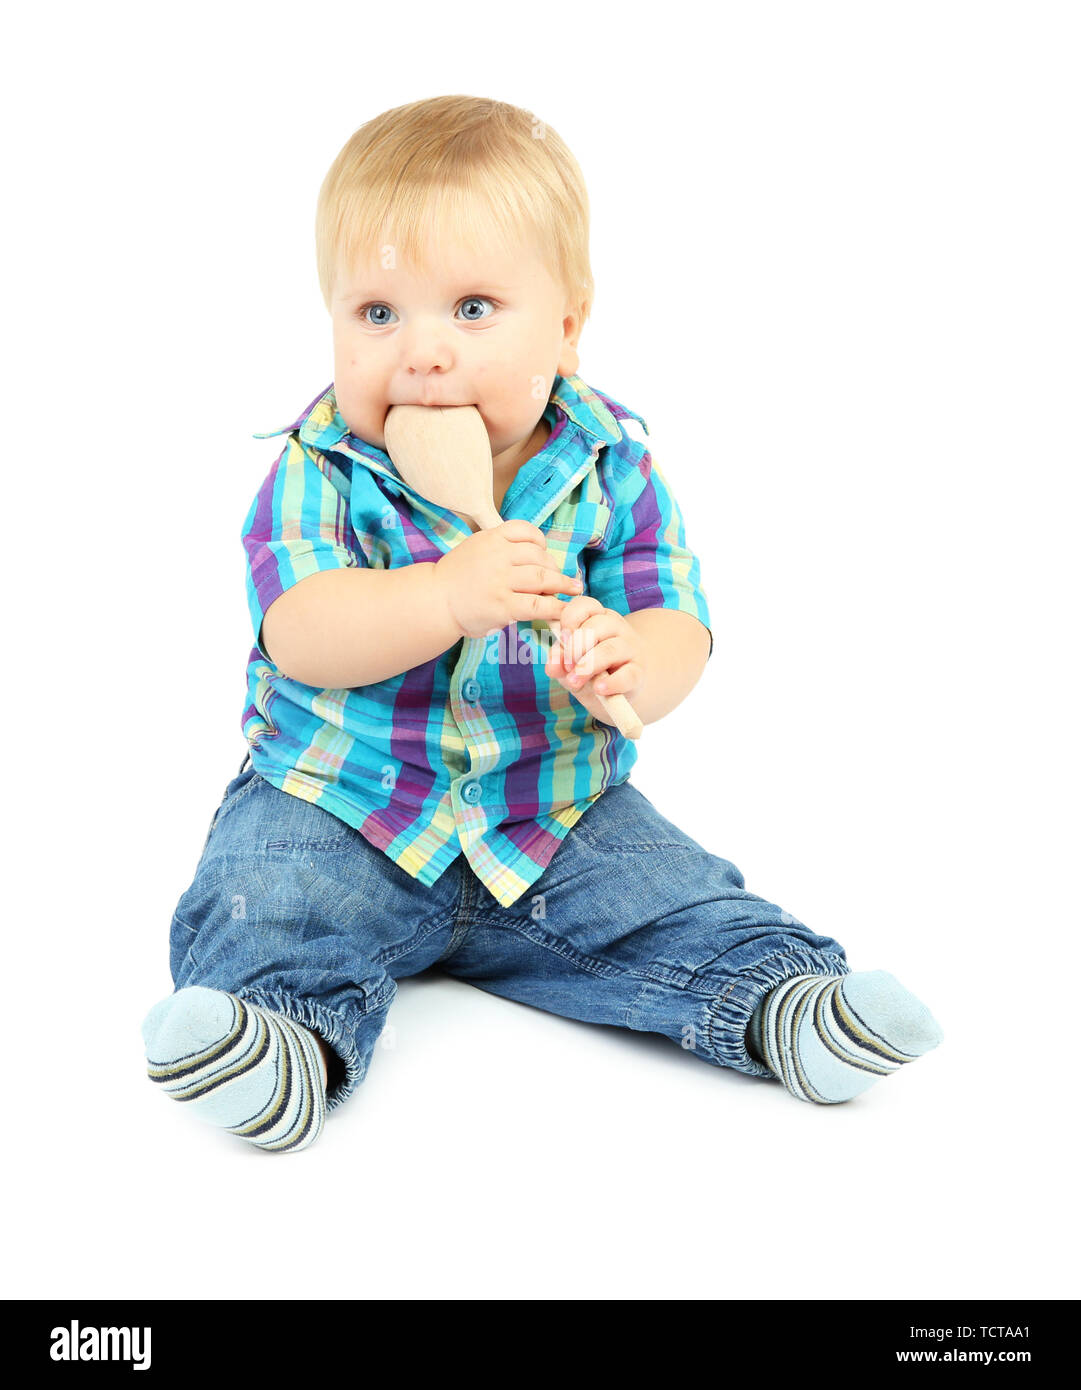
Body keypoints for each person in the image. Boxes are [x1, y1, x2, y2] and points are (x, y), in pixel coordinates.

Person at [141, 95, 943, 1153]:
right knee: (265, 900)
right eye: (376, 313)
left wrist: (631, 661)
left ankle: (785, 1007)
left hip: (556, 810)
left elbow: (675, 619)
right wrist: (443, 597)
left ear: (567, 327)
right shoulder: (320, 468)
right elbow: (301, 630)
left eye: (472, 308)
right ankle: (278, 1042)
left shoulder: (611, 466)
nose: (422, 351)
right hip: (342, 801)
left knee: (671, 894)